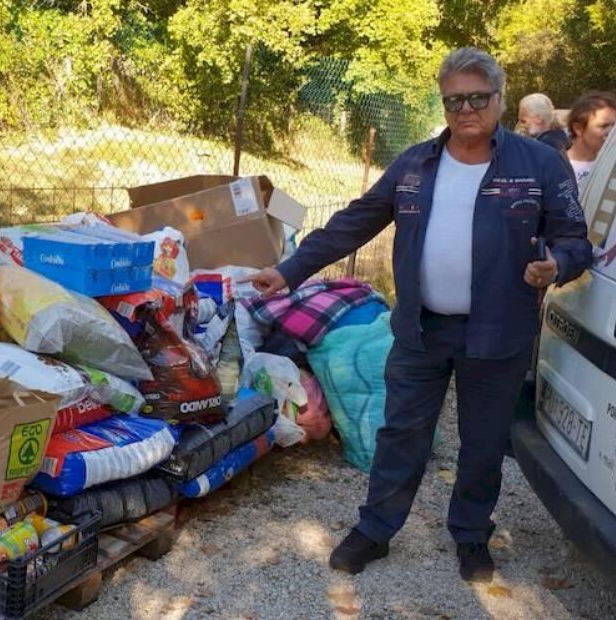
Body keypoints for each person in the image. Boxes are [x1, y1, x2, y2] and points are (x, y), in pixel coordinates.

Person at [244, 48, 592, 583]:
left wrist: (557, 264)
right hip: (420, 330)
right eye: (454, 99)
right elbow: (354, 222)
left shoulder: (539, 164)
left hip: (499, 333)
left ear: (499, 99)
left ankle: (472, 536)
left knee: (482, 439)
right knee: (400, 431)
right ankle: (375, 530)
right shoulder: (415, 164)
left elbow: (574, 238)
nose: (466, 109)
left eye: (478, 97)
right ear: (444, 103)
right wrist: (289, 270)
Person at [566, 91, 616, 186]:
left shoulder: (613, 165)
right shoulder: (553, 166)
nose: (611, 133)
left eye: (614, 126)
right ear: (578, 129)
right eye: (603, 126)